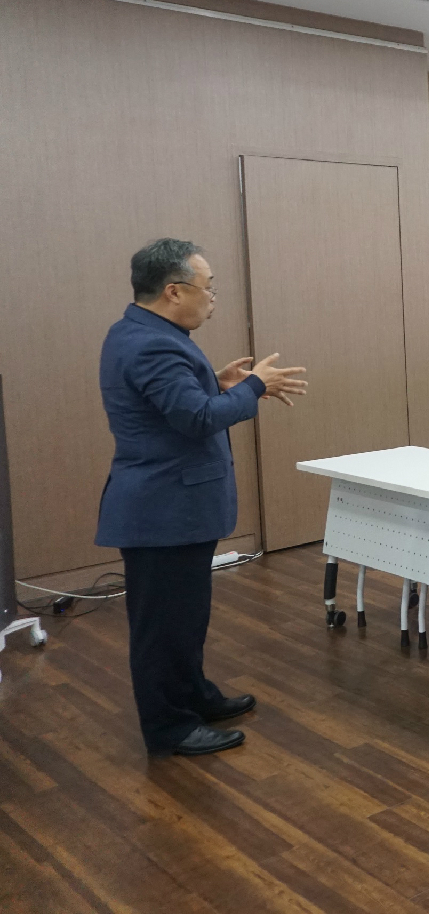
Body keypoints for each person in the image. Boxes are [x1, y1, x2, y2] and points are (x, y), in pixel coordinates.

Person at [97, 238, 308, 756]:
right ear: (173, 291)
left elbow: (172, 402)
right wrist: (253, 387)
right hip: (162, 510)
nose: (213, 298)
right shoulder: (154, 342)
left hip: (174, 507)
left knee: (185, 618)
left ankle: (193, 695)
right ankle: (169, 726)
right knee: (163, 627)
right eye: (207, 288)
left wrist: (215, 383)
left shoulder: (140, 331)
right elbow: (194, 419)